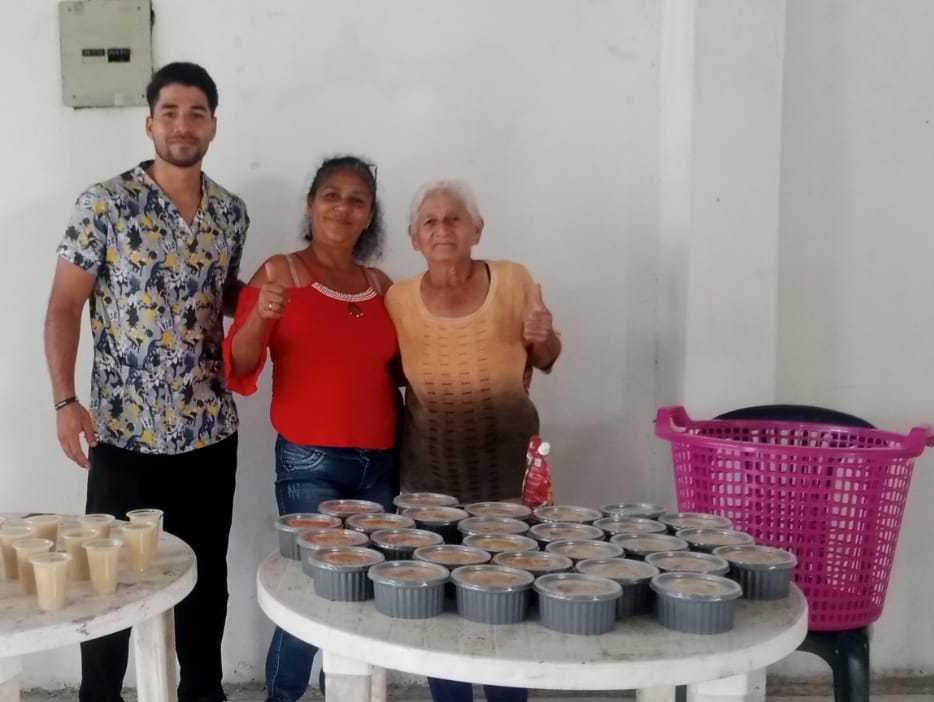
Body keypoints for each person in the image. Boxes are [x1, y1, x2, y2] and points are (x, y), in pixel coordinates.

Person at [43, 61, 248, 702]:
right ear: (150, 123)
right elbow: (64, 305)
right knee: (108, 585)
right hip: (124, 435)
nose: (183, 124)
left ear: (213, 124)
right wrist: (66, 400)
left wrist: (269, 295)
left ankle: (203, 694)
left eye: (196, 113)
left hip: (208, 434)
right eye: (170, 112)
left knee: (205, 584)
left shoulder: (230, 213)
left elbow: (219, 293)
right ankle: (99, 696)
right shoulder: (104, 204)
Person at [223, 156, 398, 702]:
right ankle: (282, 697)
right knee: (312, 594)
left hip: (382, 461)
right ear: (310, 204)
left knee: (364, 594)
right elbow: (238, 364)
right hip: (309, 461)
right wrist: (260, 314)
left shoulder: (379, 285)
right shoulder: (281, 272)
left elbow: (401, 372)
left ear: (369, 215)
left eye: (357, 199)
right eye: (331, 195)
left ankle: (345, 692)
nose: (343, 207)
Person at [385, 180, 561, 702]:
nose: (443, 229)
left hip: (508, 479)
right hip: (430, 480)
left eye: (454, 218)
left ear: (477, 229)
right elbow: (394, 373)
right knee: (440, 610)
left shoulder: (514, 280)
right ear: (414, 237)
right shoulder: (398, 299)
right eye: (431, 221)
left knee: (508, 604)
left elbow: (546, 358)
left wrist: (544, 337)